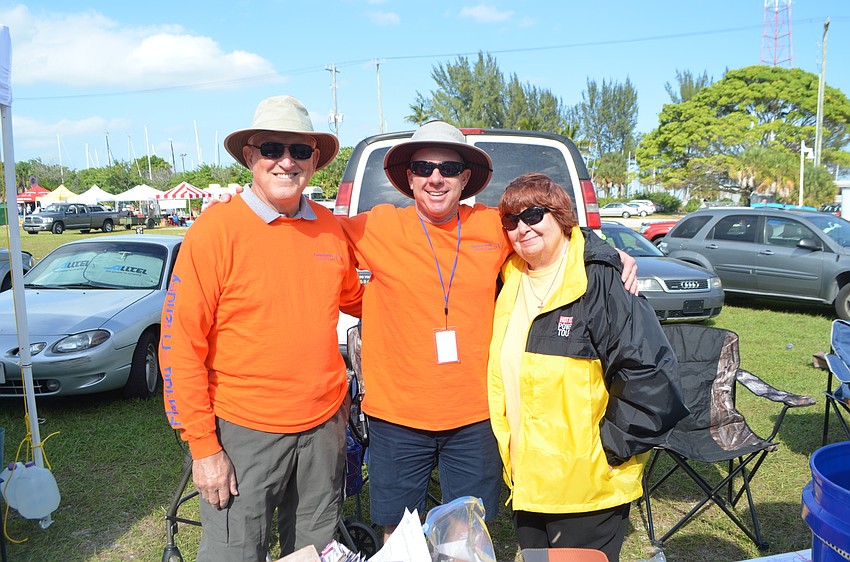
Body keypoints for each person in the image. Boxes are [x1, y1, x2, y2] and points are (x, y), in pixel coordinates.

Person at [215, 121, 638, 541]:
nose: (436, 178)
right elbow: (302, 234)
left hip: (474, 416)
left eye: (449, 169)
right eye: (424, 167)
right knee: (399, 536)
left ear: (466, 179)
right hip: (396, 417)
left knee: (465, 534)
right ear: (410, 177)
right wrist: (243, 212)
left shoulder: (493, 226)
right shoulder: (371, 226)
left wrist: (608, 253)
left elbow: (551, 235)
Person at [159, 95, 363, 561]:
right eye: (272, 148)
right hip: (243, 430)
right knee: (236, 552)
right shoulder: (216, 231)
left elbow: (362, 300)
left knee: (315, 549)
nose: (286, 161)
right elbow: (179, 349)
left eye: (299, 151)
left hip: (324, 427)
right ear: (251, 156)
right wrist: (203, 448)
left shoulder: (331, 229)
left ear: (315, 160)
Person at [487, 173, 689, 562]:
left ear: (561, 217)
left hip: (586, 488)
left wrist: (609, 450)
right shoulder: (509, 277)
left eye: (532, 214)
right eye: (511, 221)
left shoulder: (599, 279)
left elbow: (652, 376)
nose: (521, 228)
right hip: (528, 481)